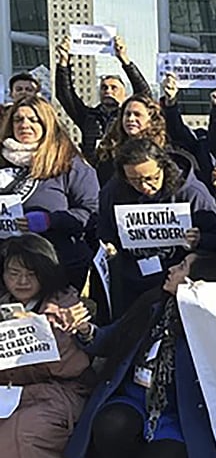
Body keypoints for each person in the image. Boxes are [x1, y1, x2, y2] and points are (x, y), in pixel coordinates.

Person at [62, 253, 216, 458]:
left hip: (176, 415)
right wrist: (86, 331)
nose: (171, 269)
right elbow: (110, 338)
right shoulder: (152, 303)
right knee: (111, 424)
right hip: (135, 398)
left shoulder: (210, 327)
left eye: (182, 267)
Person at [0, 235, 94, 458]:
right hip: (9, 391)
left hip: (59, 390)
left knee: (25, 429)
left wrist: (42, 328)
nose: (22, 281)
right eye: (14, 273)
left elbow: (74, 363)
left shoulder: (67, 304)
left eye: (31, 274)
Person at [97, 140, 216, 315]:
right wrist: (109, 245)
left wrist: (200, 240)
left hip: (174, 279)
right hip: (130, 278)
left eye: (151, 178)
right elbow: (104, 230)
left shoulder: (193, 193)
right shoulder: (113, 192)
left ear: (164, 167)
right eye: (134, 180)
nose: (144, 186)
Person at [0, 96, 100, 290]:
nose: (24, 125)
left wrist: (50, 221)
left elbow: (92, 211)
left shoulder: (69, 163)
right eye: (18, 119)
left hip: (56, 266)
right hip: (6, 269)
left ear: (47, 124)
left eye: (33, 120)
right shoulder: (2, 160)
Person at [53, 34, 151, 162]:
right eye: (104, 88)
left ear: (125, 94)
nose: (108, 91)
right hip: (93, 168)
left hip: (121, 167)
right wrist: (64, 61)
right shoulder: (88, 117)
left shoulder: (126, 118)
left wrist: (124, 60)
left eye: (114, 88)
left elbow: (144, 95)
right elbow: (65, 95)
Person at [93, 94, 172, 186]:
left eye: (137, 114)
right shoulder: (109, 149)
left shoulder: (161, 151)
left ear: (151, 120)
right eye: (127, 114)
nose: (131, 119)